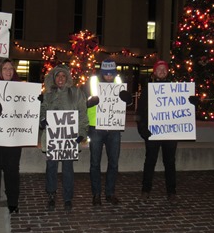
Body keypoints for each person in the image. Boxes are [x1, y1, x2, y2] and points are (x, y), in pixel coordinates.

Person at [136, 60, 197, 204]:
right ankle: (145, 191)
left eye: (164, 69)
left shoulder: (177, 90)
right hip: (153, 132)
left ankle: (172, 192)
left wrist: (193, 103)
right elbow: (140, 112)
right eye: (159, 69)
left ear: (167, 72)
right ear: (154, 72)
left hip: (170, 133)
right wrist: (143, 129)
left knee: (170, 162)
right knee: (149, 162)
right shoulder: (147, 90)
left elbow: (186, 110)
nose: (162, 72)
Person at [40, 64, 88, 212]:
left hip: (69, 139)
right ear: (54, 78)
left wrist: (82, 133)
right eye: (57, 76)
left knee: (68, 169)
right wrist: (42, 119)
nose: (60, 79)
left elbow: (82, 114)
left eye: (63, 76)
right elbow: (42, 111)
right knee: (51, 167)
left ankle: (68, 198)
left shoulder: (76, 93)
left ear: (67, 78)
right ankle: (51, 195)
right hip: (53, 138)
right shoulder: (48, 95)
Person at [84, 59, 132, 206]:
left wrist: (127, 99)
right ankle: (96, 194)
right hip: (96, 126)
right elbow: (81, 103)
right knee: (95, 163)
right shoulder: (91, 82)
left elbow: (127, 103)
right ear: (102, 72)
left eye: (112, 73)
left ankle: (110, 193)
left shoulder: (119, 82)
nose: (109, 76)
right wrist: (89, 102)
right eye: (106, 73)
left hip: (114, 128)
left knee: (114, 163)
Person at [0, 58, 23, 214]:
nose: (8, 71)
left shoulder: (21, 90)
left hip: (13, 138)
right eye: (5, 68)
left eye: (11, 69)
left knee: (12, 171)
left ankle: (13, 202)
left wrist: (36, 102)